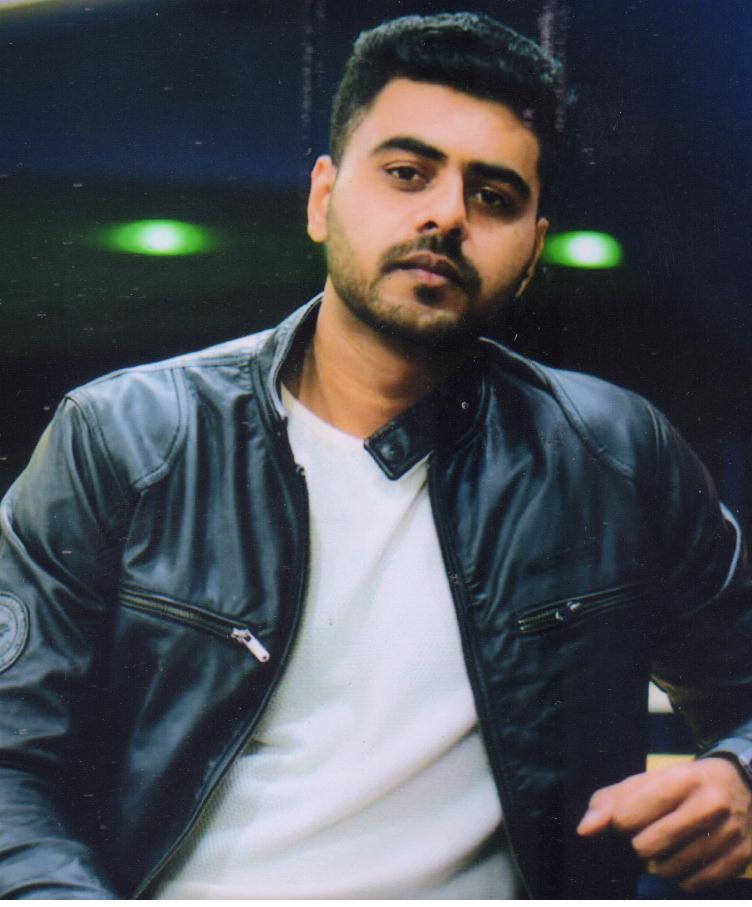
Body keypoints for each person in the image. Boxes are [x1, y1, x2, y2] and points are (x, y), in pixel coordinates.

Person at [1, 11, 751, 900]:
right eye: (406, 173)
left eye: (494, 196)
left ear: (533, 249)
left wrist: (741, 778)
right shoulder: (126, 438)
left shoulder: (613, 457)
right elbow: (11, 763)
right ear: (323, 199)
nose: (446, 214)